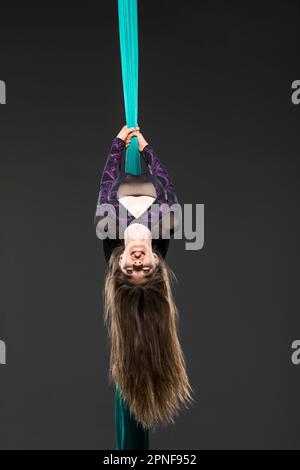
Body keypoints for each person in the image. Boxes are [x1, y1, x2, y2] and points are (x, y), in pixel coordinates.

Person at [94, 126, 192, 450]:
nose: (138, 261)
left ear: (120, 263)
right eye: (145, 268)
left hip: (125, 172)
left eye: (131, 268)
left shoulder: (109, 233)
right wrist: (145, 148)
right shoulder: (165, 227)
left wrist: (119, 144)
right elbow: (165, 184)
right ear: (156, 262)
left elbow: (107, 182)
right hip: (145, 175)